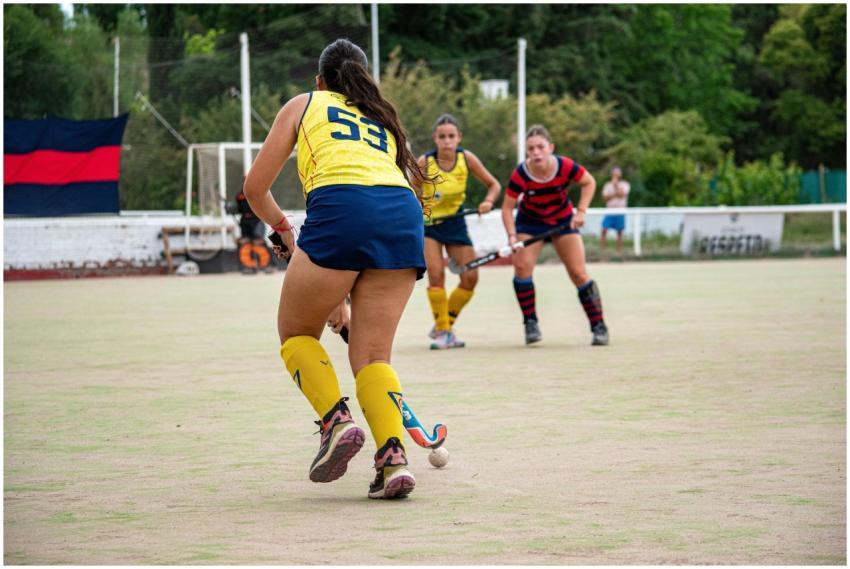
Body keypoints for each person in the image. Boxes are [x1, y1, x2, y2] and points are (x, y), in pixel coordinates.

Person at [244, 39, 432, 500]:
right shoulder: (381, 118)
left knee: (296, 334)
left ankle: (336, 421)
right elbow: (371, 214)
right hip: (401, 216)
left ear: (320, 80)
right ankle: (393, 460)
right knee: (373, 358)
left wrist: (284, 230)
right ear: (364, 77)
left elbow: (254, 189)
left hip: (341, 209)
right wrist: (336, 299)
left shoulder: (304, 104)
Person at [501, 124, 609, 346]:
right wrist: (512, 236)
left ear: (551, 147)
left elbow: (589, 182)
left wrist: (581, 211)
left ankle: (599, 326)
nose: (536, 152)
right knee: (521, 269)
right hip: (530, 224)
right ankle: (530, 323)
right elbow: (507, 208)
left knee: (578, 273)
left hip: (562, 221)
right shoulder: (521, 174)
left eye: (541, 147)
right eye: (531, 149)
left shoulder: (565, 166)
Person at [413, 114, 501, 350]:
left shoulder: (466, 158)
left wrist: (488, 201)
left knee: (470, 278)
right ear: (435, 138)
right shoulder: (425, 161)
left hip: (455, 223)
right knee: (436, 275)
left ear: (459, 137)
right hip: (430, 225)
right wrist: (418, 207)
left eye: (451, 136)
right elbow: (412, 190)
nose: (447, 141)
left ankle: (444, 324)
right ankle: (443, 332)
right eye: (442, 136)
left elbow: (494, 185)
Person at [234, 189, 272, 274]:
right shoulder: (239, 196)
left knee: (258, 241)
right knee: (245, 242)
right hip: (244, 220)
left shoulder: (258, 192)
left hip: (257, 219)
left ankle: (267, 265)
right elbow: (239, 209)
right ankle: (248, 266)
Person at [600, 166, 630, 255]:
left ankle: (619, 253)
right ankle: (602, 252)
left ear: (621, 174)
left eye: (618, 173)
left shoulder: (625, 184)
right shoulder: (607, 185)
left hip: (620, 211)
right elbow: (605, 198)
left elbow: (622, 194)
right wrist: (615, 194)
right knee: (604, 230)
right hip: (609, 211)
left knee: (620, 232)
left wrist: (616, 186)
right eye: (614, 173)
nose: (616, 175)